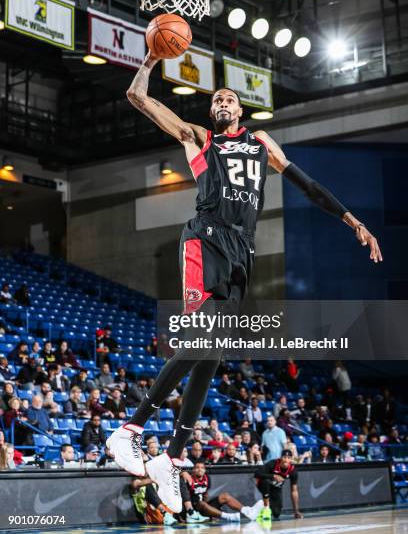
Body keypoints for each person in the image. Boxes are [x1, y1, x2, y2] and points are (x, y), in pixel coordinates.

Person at [107, 52, 382, 513]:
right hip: (206, 240)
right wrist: (151, 60)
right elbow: (137, 97)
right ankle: (130, 429)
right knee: (203, 339)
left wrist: (351, 220)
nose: (222, 102)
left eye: (229, 98)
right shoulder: (199, 140)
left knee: (213, 355)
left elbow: (308, 185)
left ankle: (171, 459)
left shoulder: (260, 143)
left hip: (242, 253)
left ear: (240, 109)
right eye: (216, 99)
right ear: (211, 112)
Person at [186, 461, 263, 522]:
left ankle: (247, 511)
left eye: (202, 468)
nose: (200, 469)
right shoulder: (189, 479)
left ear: (205, 470)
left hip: (204, 507)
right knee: (201, 503)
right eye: (197, 467)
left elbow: (205, 495)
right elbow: (185, 497)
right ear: (193, 470)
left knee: (224, 496)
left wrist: (210, 510)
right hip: (194, 508)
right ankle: (228, 516)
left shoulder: (207, 478)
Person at [256, 449, 303, 522]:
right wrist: (273, 476)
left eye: (288, 458)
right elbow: (257, 474)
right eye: (284, 457)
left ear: (291, 459)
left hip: (276, 488)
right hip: (263, 484)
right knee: (266, 482)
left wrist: (296, 511)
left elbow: (294, 491)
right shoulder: (273, 463)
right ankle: (266, 509)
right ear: (281, 457)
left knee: (276, 513)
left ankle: (260, 508)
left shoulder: (293, 470)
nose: (286, 460)